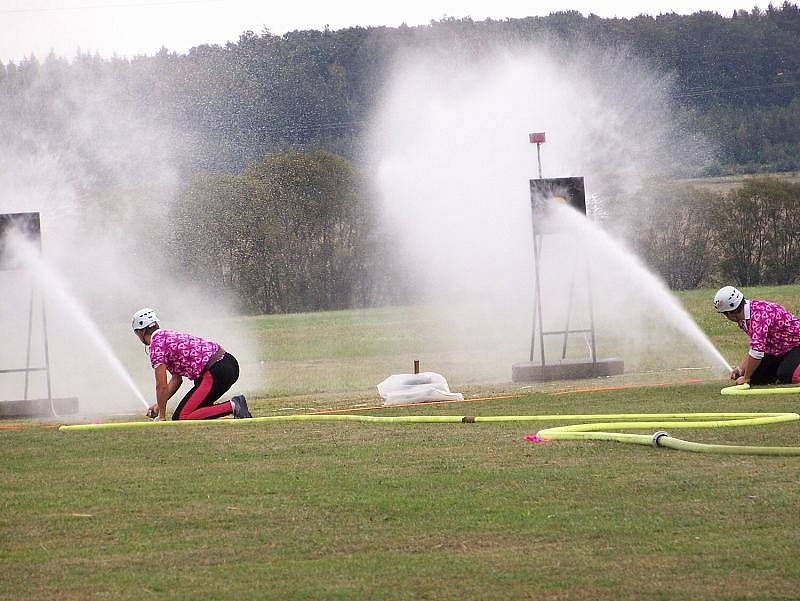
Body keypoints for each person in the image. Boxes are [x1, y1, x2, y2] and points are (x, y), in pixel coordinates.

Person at [131, 308, 252, 420]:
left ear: (141, 332)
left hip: (215, 371)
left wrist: (161, 416)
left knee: (182, 416)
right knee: (189, 411)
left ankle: (234, 406)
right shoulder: (166, 336)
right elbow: (176, 380)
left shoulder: (156, 345)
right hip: (228, 363)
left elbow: (161, 385)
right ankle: (235, 406)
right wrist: (158, 405)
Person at [713, 286, 800, 386]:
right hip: (778, 350)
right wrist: (741, 369)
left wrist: (745, 378)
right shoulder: (743, 318)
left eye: (724, 314)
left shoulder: (758, 316)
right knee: (756, 378)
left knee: (787, 375)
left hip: (796, 345)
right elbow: (756, 346)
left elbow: (757, 352)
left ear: (729, 312)